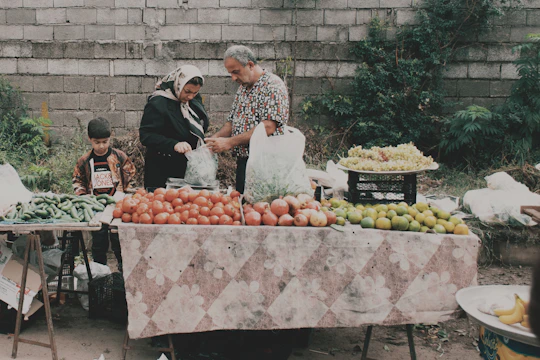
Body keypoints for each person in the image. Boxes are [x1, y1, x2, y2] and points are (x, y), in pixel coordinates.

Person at [206, 45, 289, 193]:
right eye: (230, 73)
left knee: (259, 209)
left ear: (250, 65)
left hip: (266, 164)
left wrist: (229, 142)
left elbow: (268, 127)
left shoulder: (273, 85)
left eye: (236, 72)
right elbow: (232, 122)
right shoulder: (243, 88)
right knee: (242, 203)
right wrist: (215, 138)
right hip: (244, 161)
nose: (233, 78)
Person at [73, 117, 135, 271]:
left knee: (118, 239)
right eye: (97, 142)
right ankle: (100, 272)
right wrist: (83, 196)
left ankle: (123, 270)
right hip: (97, 207)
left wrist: (124, 191)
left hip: (117, 206)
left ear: (110, 138)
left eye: (105, 142)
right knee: (99, 241)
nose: (101, 146)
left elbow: (130, 172)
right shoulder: (85, 161)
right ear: (89, 140)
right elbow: (77, 180)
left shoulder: (119, 156)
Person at [139, 65, 209, 189]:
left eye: (195, 92)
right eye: (187, 91)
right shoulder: (158, 103)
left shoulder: (193, 100)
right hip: (162, 169)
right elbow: (146, 135)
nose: (190, 96)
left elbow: (200, 123)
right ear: (178, 84)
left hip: (187, 168)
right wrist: (173, 144)